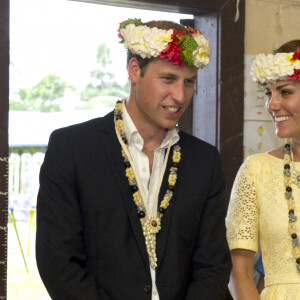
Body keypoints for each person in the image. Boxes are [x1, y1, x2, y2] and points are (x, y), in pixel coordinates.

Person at [36, 18, 231, 300]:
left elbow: (213, 265)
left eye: (189, 82)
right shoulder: (73, 148)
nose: (179, 95)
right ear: (134, 70)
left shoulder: (204, 160)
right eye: (168, 79)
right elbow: (58, 263)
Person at [226, 39, 300, 299]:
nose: (271, 104)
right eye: (269, 92)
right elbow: (240, 271)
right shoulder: (256, 170)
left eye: (285, 92)